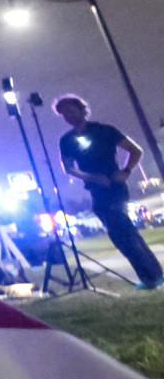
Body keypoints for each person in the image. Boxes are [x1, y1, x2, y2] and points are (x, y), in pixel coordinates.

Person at [54, 94, 163, 289]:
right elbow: (69, 168)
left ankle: (151, 277)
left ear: (81, 109)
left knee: (123, 232)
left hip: (115, 187)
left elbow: (135, 150)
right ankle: (153, 275)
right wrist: (91, 177)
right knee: (124, 233)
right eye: (64, 114)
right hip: (96, 189)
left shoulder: (104, 130)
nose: (68, 116)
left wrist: (126, 171)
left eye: (71, 110)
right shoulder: (67, 140)